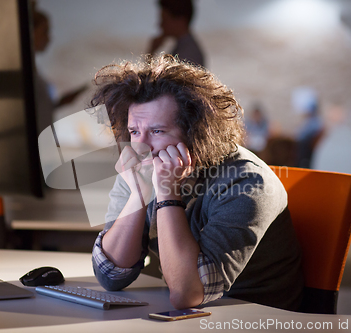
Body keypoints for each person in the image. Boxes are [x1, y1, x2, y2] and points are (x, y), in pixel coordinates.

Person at [89, 54, 303, 311]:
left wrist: (167, 192)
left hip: (255, 318)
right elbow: (111, 276)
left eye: (157, 131)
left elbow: (186, 294)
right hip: (191, 317)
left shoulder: (247, 182)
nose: (141, 147)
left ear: (195, 132)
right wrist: (138, 193)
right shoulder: (141, 167)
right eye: (135, 131)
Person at [148, 0, 205, 67]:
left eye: (165, 20)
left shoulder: (187, 53)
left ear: (180, 21)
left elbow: (161, 77)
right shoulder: (184, 48)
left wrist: (151, 55)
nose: (160, 25)